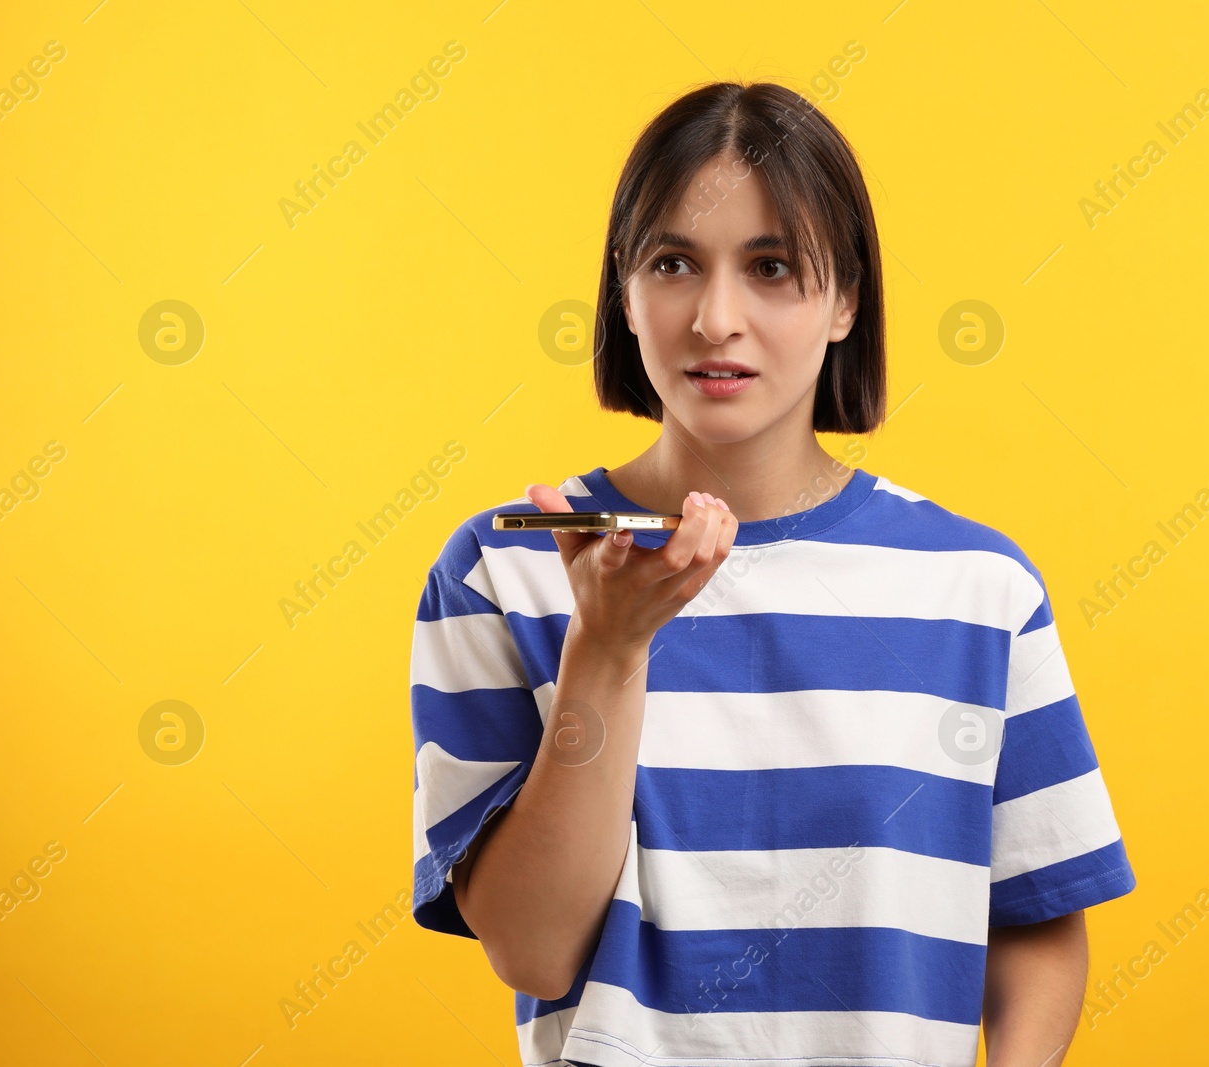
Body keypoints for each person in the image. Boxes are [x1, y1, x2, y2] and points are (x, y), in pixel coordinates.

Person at [409, 80, 1136, 1067]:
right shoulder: (508, 568)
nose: (715, 318)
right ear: (624, 290)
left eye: (772, 267)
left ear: (844, 299)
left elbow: (1037, 919)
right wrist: (609, 651)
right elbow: (531, 950)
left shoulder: (980, 590)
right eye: (673, 263)